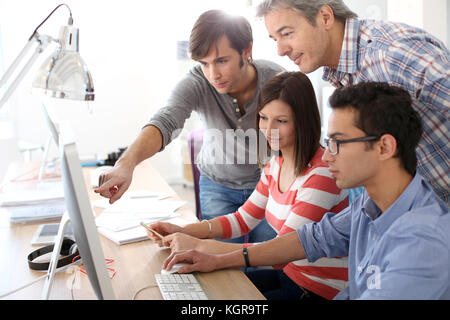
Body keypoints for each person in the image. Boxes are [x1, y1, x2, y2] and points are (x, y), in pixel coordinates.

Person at [164, 82, 450, 300]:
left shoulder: (421, 243)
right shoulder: (368, 206)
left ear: (384, 147)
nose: (327, 156)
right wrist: (212, 255)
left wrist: (204, 247)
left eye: (338, 142)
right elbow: (310, 239)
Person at [148, 72, 349, 300]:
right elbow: (242, 220)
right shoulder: (276, 162)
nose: (268, 129)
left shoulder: (322, 173)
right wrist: (183, 231)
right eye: (263, 118)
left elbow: (281, 251)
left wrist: (203, 248)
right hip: (291, 275)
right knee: (210, 291)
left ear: (303, 120)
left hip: (317, 290)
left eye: (281, 121)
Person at [94, 10, 285, 243]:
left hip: (269, 186)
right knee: (225, 271)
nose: (213, 74)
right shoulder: (197, 81)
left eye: (221, 61)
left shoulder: (277, 80)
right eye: (204, 63)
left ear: (246, 50)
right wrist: (126, 163)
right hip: (218, 187)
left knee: (265, 266)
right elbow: (166, 120)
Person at [255, 0, 450, 205]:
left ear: (325, 17)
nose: (280, 50)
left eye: (287, 33)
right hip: (425, 205)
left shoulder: (390, 54)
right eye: (274, 38)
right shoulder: (344, 72)